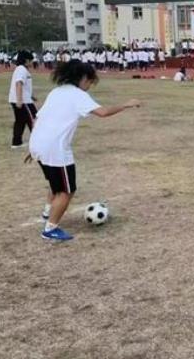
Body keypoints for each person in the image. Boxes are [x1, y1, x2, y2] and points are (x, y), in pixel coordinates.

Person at [26, 60, 141, 241]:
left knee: (56, 183)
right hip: (54, 148)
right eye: (90, 81)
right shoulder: (77, 94)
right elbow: (103, 112)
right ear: (83, 78)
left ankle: (48, 211)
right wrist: (126, 105)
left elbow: (37, 119)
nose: (89, 86)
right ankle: (50, 229)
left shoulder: (57, 91)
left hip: (39, 144)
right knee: (67, 190)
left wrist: (36, 145)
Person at [8, 51, 38, 149]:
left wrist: (32, 95)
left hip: (23, 99)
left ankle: (16, 142)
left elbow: (25, 86)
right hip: (23, 101)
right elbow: (19, 84)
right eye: (30, 60)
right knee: (33, 120)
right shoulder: (21, 69)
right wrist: (19, 100)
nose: (32, 62)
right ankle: (37, 142)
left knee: (20, 121)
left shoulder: (22, 70)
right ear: (26, 60)